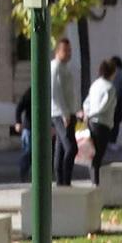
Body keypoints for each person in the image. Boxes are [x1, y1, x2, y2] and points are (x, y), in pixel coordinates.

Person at [49, 35, 80, 186]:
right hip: (60, 114)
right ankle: (64, 180)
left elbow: (69, 92)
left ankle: (61, 181)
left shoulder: (64, 68)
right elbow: (55, 93)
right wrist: (65, 113)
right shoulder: (55, 68)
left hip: (69, 112)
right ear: (58, 51)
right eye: (66, 51)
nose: (69, 53)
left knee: (61, 148)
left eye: (70, 50)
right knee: (71, 148)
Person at [84, 58, 119, 185]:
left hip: (91, 122)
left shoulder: (95, 84)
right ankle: (96, 182)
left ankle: (94, 180)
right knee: (98, 154)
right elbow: (104, 107)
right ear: (112, 72)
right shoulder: (110, 88)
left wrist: (87, 113)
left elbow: (87, 102)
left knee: (92, 154)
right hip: (102, 124)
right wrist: (92, 113)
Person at [13, 87, 34, 181]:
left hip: (39, 128)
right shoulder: (30, 92)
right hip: (29, 128)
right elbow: (19, 107)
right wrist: (18, 122)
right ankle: (23, 174)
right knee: (28, 152)